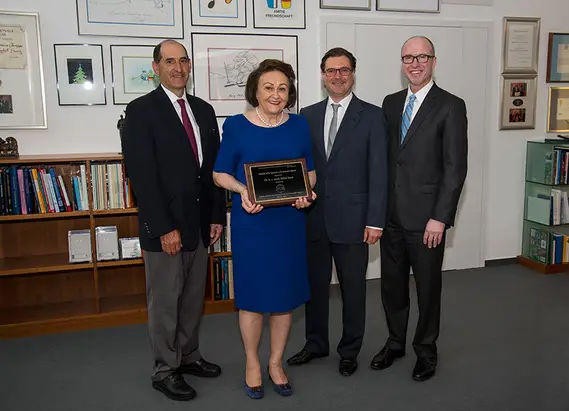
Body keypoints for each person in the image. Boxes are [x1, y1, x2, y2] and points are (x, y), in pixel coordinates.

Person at [121, 39, 225, 401]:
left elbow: (213, 169)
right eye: (169, 61)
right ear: (156, 67)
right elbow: (142, 177)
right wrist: (164, 227)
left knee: (193, 298)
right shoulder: (140, 111)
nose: (178, 68)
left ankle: (189, 355)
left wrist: (216, 216)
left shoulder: (203, 109)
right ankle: (165, 370)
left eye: (183, 61)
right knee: (166, 302)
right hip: (166, 226)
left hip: (199, 224)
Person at [213, 59, 316, 399]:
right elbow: (220, 173)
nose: (276, 94)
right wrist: (243, 191)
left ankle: (275, 362)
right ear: (255, 91)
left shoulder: (300, 126)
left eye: (283, 88)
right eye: (268, 87)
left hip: (288, 222)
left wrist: (306, 193)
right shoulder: (237, 125)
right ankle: (252, 363)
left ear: (290, 94)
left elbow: (310, 172)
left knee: (284, 299)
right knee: (254, 299)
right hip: (252, 222)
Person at [370, 36, 468, 382]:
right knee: (392, 287)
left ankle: (426, 351)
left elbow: (455, 168)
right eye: (408, 58)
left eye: (421, 57)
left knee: (428, 288)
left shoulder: (451, 106)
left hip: (428, 219)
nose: (414, 63)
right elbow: (385, 160)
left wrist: (440, 217)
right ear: (401, 62)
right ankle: (395, 343)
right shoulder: (390, 103)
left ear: (433, 61)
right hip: (392, 217)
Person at [287, 47, 388, 377]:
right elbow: (302, 166)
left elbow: (379, 172)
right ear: (322, 74)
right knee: (314, 288)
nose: (338, 76)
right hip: (313, 218)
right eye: (331, 70)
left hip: (355, 221)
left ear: (353, 73)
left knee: (353, 290)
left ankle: (349, 350)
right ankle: (315, 344)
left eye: (344, 70)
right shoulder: (307, 114)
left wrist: (375, 220)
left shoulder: (372, 116)